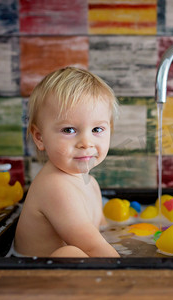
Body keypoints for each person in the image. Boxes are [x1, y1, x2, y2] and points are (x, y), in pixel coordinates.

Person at [14, 67, 120, 257]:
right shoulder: (55, 186)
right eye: (69, 130)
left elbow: (105, 233)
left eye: (97, 129)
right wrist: (135, 277)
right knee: (69, 253)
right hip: (35, 272)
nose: (86, 143)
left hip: (73, 273)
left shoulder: (91, 184)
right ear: (40, 137)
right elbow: (93, 248)